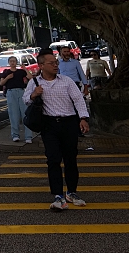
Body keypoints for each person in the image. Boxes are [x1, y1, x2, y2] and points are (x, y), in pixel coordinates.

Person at [24, 51, 91, 211]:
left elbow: (78, 99)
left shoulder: (66, 81)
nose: (55, 65)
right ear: (41, 66)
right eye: (51, 63)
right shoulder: (34, 82)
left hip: (69, 123)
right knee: (53, 159)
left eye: (56, 62)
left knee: (70, 159)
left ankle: (71, 192)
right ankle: (58, 196)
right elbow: (25, 100)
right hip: (49, 124)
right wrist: (34, 94)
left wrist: (83, 118)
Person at [1, 55, 32, 143]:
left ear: (16, 62)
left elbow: (30, 77)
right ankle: (15, 135)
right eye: (11, 61)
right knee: (13, 114)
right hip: (10, 92)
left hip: (21, 91)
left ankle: (28, 136)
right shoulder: (6, 71)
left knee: (25, 113)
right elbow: (1, 83)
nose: (12, 62)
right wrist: (7, 78)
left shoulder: (21, 71)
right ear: (8, 63)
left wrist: (25, 68)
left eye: (14, 61)